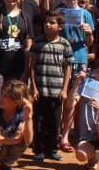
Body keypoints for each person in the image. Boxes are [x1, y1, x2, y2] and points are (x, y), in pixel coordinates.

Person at [28, 9, 73, 161]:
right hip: (40, 90)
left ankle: (52, 149)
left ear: (60, 26)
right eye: (46, 22)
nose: (48, 25)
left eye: (52, 22)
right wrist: (33, 87)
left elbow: (68, 68)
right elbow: (32, 66)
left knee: (54, 122)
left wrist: (65, 89)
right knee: (39, 121)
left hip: (57, 90)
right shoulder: (38, 43)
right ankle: (39, 150)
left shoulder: (65, 45)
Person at [56, 0, 95, 153]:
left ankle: (66, 135)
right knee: (61, 97)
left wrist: (87, 32)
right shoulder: (58, 12)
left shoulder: (86, 14)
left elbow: (90, 42)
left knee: (74, 98)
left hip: (79, 57)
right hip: (61, 57)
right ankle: (58, 132)